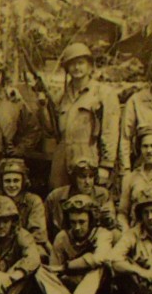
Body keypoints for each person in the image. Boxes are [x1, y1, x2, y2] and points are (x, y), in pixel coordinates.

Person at [33, 195, 113, 294]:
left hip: (94, 287)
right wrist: (61, 272)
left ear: (91, 220)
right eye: (73, 222)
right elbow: (54, 270)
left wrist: (66, 267)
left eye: (82, 222)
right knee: (40, 271)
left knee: (101, 267)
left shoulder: (102, 234)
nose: (77, 227)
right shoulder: (62, 237)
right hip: (68, 285)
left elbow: (99, 258)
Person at [50, 43, 120, 190]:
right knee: (58, 199)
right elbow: (51, 129)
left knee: (88, 202)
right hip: (62, 157)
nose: (77, 68)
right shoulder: (61, 95)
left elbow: (110, 131)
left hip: (88, 154)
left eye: (81, 63)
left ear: (89, 66)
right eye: (72, 64)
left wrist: (106, 165)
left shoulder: (103, 93)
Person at [0, 51, 42, 191]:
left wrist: (19, 149)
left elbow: (33, 129)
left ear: (3, 76)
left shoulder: (14, 102)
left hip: (6, 164)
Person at [0, 158, 49, 259]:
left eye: (16, 181)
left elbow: (38, 234)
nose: (12, 185)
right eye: (7, 181)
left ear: (23, 181)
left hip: (25, 246)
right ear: (1, 182)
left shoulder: (33, 201)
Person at [44, 154, 117, 239]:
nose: (87, 182)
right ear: (74, 178)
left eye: (91, 176)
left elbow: (112, 227)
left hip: (94, 243)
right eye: (82, 177)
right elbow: (44, 230)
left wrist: (108, 219)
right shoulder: (56, 197)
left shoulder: (103, 195)